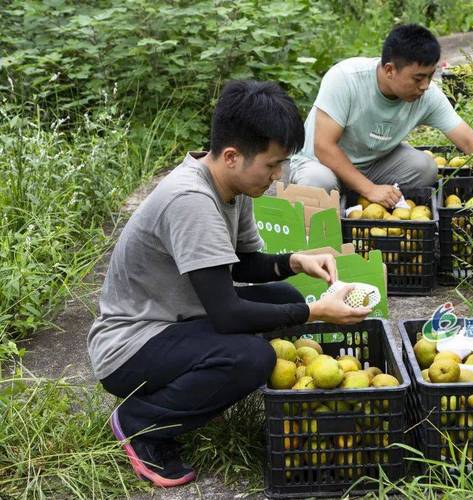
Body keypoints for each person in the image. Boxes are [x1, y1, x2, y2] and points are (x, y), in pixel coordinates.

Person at [87, 80, 371, 488]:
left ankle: (197, 392)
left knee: (285, 296)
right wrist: (317, 310)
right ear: (233, 156)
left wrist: (295, 262)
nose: (277, 177)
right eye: (272, 165)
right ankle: (140, 422)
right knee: (252, 358)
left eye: (282, 165)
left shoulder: (233, 188)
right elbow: (228, 312)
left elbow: (244, 265)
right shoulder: (191, 201)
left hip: (179, 320)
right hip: (131, 345)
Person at [289, 23, 473, 208]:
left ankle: (358, 202)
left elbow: (469, 140)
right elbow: (323, 147)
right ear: (389, 70)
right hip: (320, 164)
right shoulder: (346, 79)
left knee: (425, 169)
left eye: (430, 76)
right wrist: (370, 189)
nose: (425, 86)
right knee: (316, 181)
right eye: (417, 78)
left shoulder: (428, 95)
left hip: (372, 165)